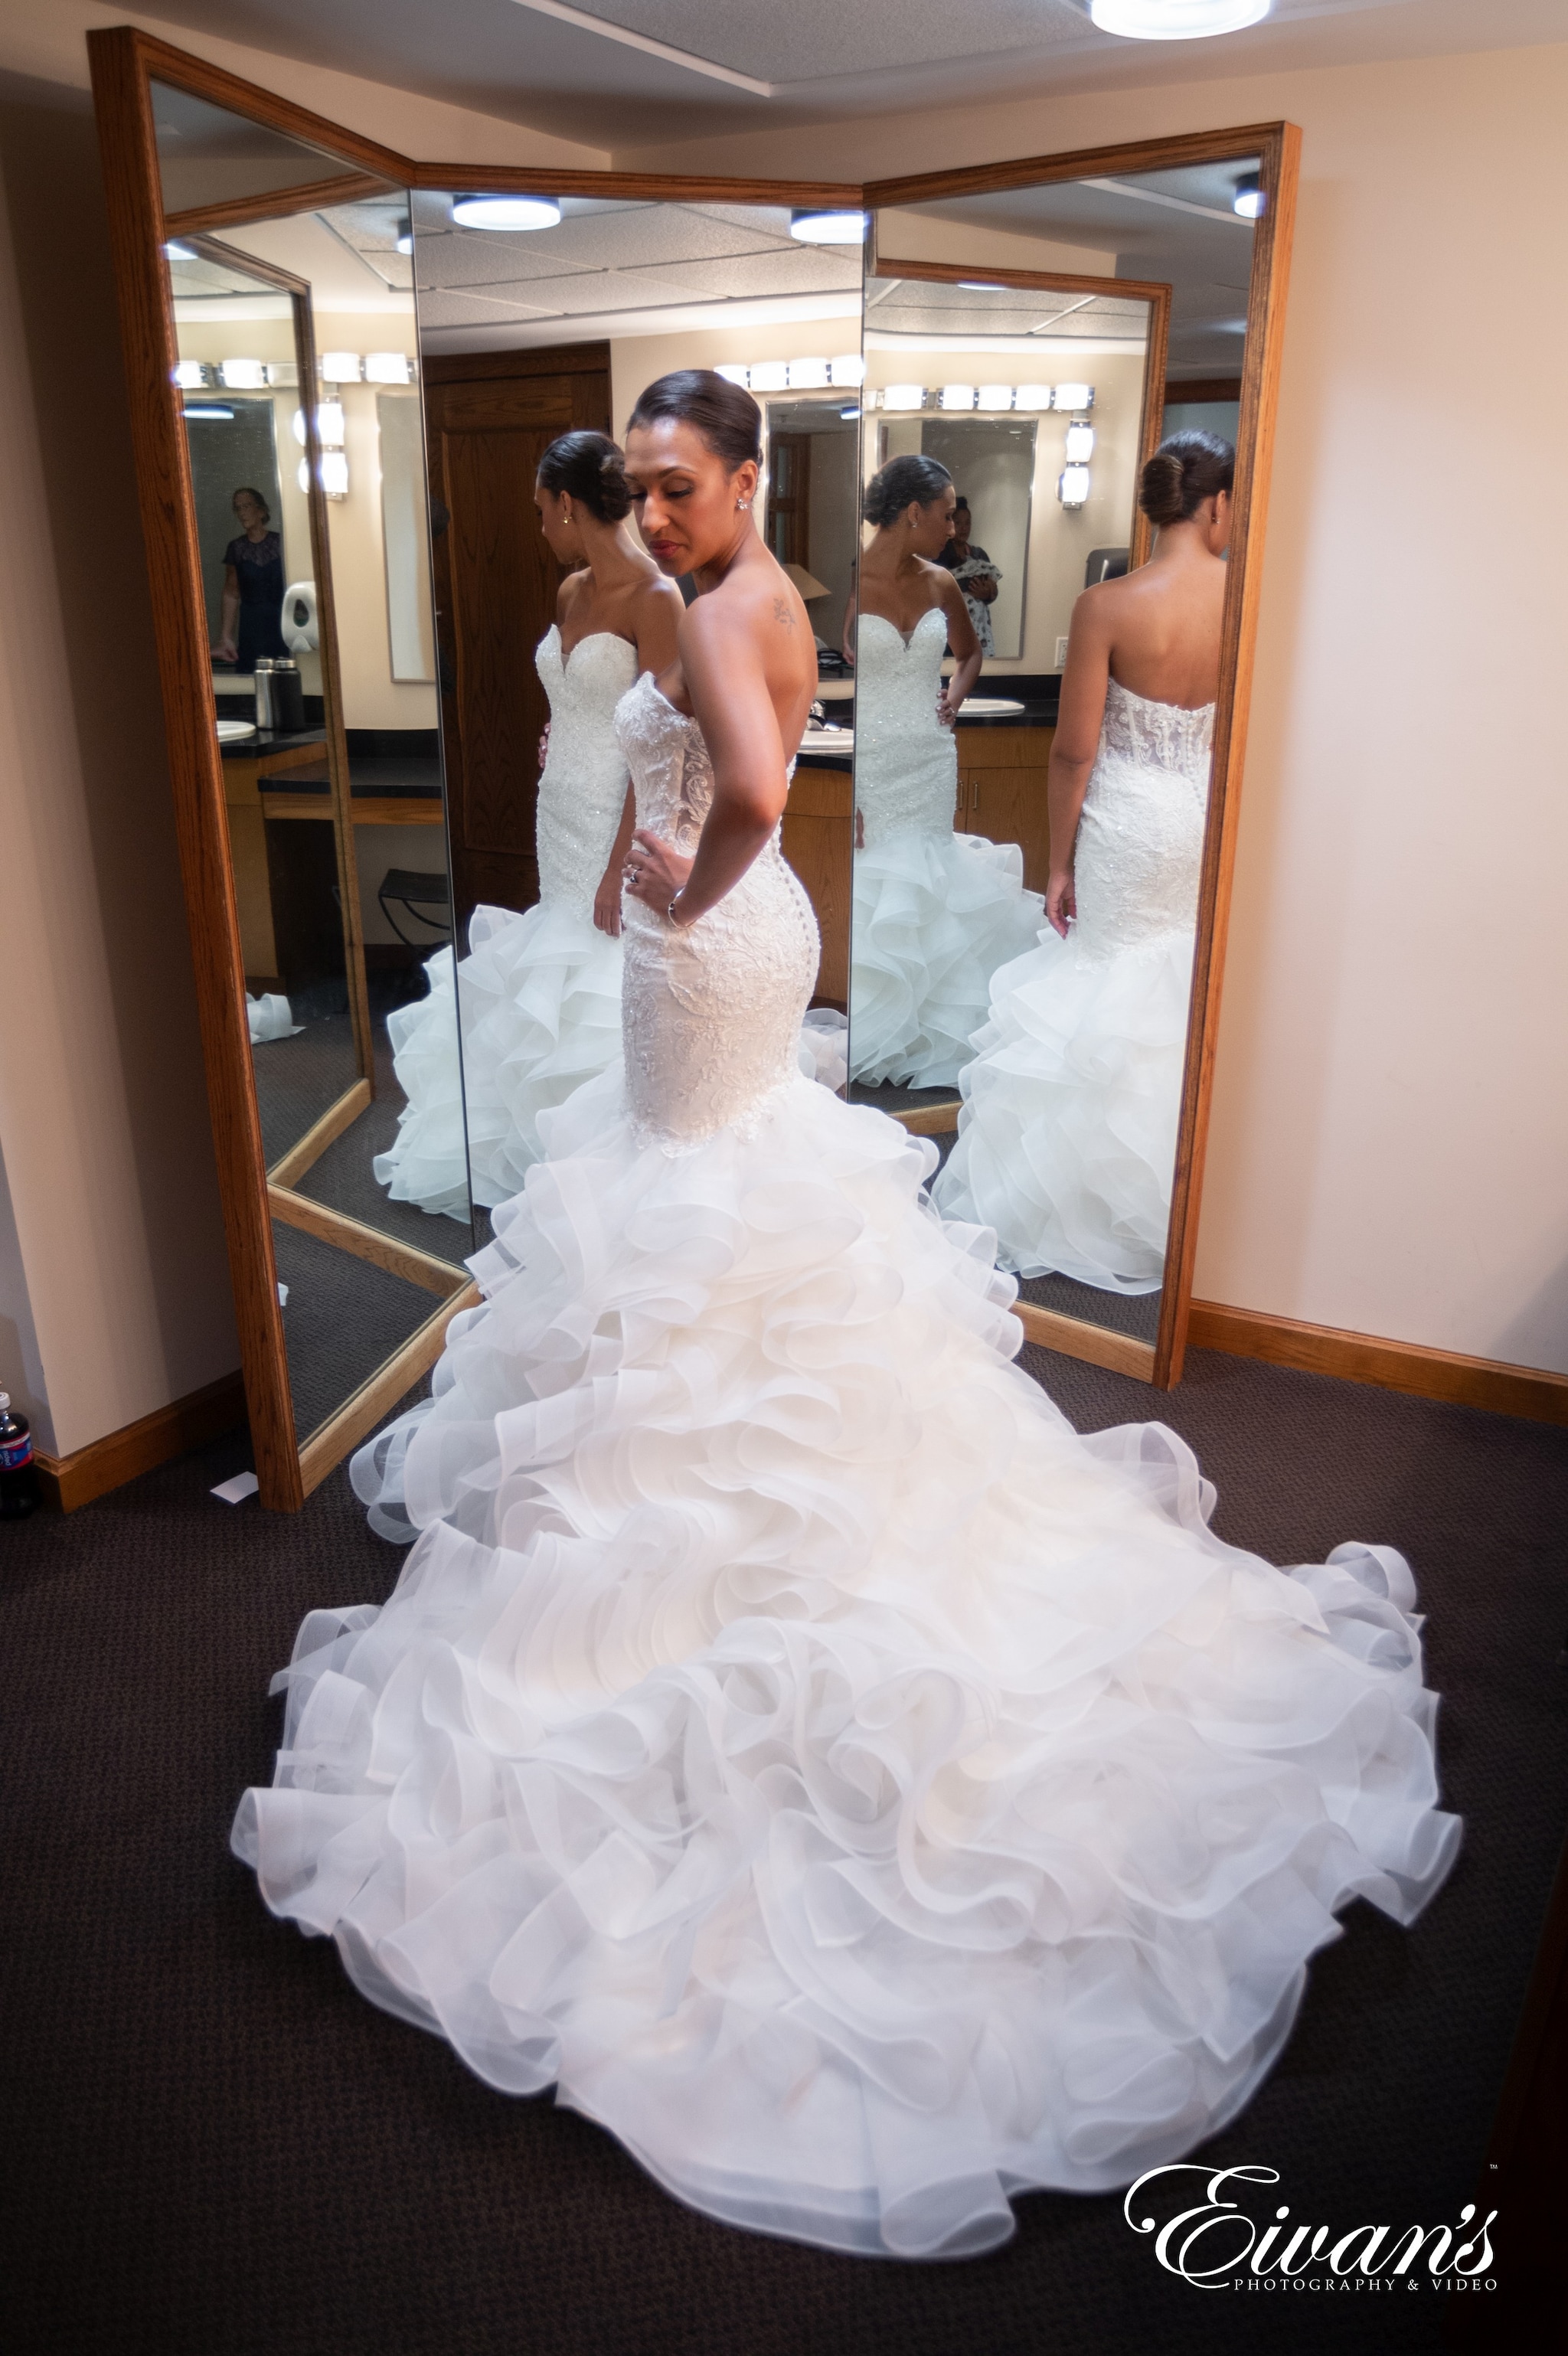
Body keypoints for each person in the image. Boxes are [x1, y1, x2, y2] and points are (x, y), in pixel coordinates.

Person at [233, 382, 1459, 2263]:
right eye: (634, 485)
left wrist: (682, 882)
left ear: (736, 479)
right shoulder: (768, 586)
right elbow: (752, 757)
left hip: (713, 950)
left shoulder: (720, 610)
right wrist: (698, 866)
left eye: (676, 482)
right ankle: (709, 1488)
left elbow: (737, 787)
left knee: (692, 1210)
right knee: (720, 1217)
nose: (652, 507)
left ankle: (698, 1542)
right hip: (743, 948)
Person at [935, 431, 1232, 1292]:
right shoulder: (1251, 599)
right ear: (1214, 505)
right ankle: (1182, 1203)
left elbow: (1072, 753)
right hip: (1204, 818)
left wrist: (1057, 863)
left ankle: (1084, 1196)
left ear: (1150, 507)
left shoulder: (1108, 604)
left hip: (1129, 821)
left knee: (1105, 981)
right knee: (1180, 992)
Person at [373, 430, 681, 1218]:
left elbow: (659, 752)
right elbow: (574, 700)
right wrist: (559, 735)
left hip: (616, 813)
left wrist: (623, 865)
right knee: (558, 946)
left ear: (569, 505)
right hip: (559, 810)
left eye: (542, 510)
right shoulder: (570, 592)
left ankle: (613, 1156)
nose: (540, 526)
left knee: (604, 961)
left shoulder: (656, 599)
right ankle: (544, 1141)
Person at [847, 455, 1042, 1088]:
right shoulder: (852, 583)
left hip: (929, 758)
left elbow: (971, 652)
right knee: (881, 889)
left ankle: (931, 1030)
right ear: (913, 513)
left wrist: (954, 696)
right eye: (947, 510)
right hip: (874, 760)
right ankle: (880, 1032)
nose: (955, 523)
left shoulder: (941, 582)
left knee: (930, 884)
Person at [214, 487, 287, 670]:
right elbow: (231, 593)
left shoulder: (282, 543)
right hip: (251, 625)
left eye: (246, 506)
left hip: (281, 621)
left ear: (261, 510)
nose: (242, 512)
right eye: (238, 508)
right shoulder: (237, 548)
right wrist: (226, 637)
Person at [936, 496, 1001, 657]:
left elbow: (992, 590)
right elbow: (941, 589)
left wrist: (988, 594)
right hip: (952, 627)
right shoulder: (941, 554)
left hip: (979, 626)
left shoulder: (979, 554)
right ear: (950, 524)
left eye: (968, 523)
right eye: (958, 523)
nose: (964, 528)